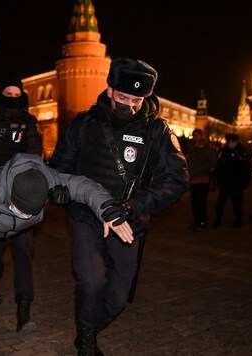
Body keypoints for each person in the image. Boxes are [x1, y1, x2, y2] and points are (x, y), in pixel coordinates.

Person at [47, 58, 189, 355]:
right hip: (87, 217)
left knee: (118, 296)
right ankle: (86, 340)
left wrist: (134, 206)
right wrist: (59, 190)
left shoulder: (158, 131)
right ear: (110, 90)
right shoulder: (85, 124)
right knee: (91, 279)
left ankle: (90, 326)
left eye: (137, 100)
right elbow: (59, 166)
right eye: (123, 97)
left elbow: (175, 180)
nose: (130, 105)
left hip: (129, 222)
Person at [0, 153, 133, 333]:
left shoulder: (50, 179)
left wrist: (107, 210)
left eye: (32, 212)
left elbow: (85, 186)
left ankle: (24, 310)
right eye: (22, 211)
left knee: (25, 253)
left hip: (22, 231)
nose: (26, 216)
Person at [0, 77, 44, 333]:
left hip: (20, 195)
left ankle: (24, 308)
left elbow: (33, 154)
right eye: (8, 93)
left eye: (18, 94)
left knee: (24, 249)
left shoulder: (29, 123)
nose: (13, 97)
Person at [212, 133, 251, 228]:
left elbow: (246, 168)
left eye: (232, 141)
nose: (231, 143)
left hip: (237, 183)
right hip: (225, 182)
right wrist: (219, 180)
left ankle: (238, 220)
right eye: (229, 141)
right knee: (220, 203)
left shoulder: (242, 151)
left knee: (237, 203)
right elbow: (219, 166)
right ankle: (218, 219)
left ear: (236, 141)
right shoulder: (223, 151)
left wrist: (244, 182)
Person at [186, 128, 217, 230]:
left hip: (203, 179)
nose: (195, 137)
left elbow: (212, 164)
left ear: (201, 136)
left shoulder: (207, 149)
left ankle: (202, 221)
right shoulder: (192, 149)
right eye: (194, 135)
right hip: (193, 179)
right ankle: (197, 221)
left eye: (197, 135)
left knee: (201, 202)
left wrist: (199, 168)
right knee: (194, 203)